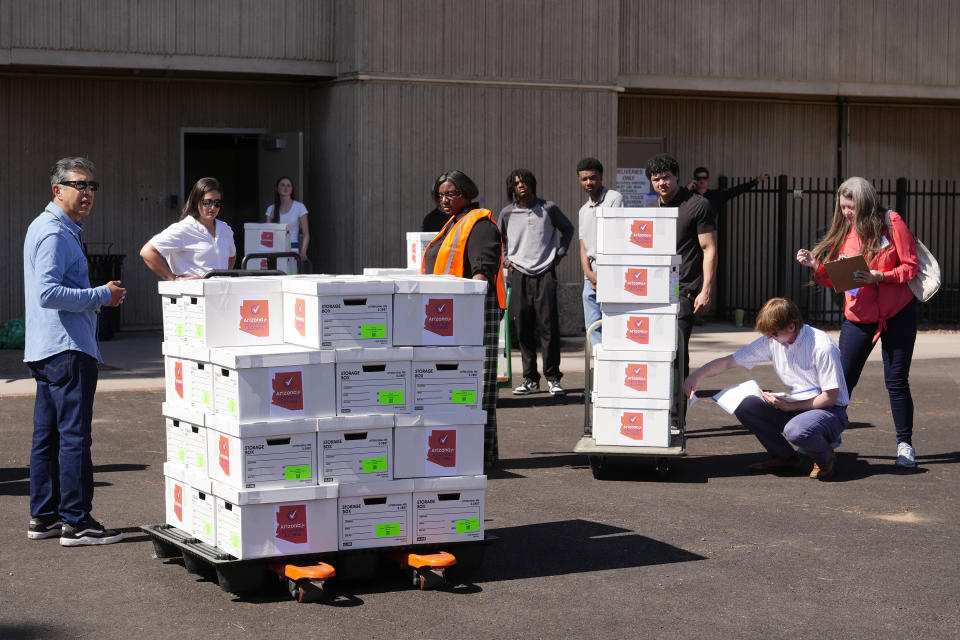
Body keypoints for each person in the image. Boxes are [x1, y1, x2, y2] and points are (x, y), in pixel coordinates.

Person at [23, 157, 126, 545]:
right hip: (67, 350)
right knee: (73, 437)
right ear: (57, 189)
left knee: (47, 438)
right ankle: (78, 521)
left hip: (49, 349)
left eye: (92, 186)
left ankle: (44, 517)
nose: (87, 193)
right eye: (79, 185)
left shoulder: (50, 227)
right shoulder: (54, 233)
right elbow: (48, 293)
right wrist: (102, 294)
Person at [796, 177, 920, 468]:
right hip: (858, 316)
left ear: (864, 202)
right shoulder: (845, 230)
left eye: (850, 207)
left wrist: (880, 277)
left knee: (897, 381)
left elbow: (910, 267)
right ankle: (827, 435)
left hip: (896, 313)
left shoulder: (891, 222)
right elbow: (838, 279)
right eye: (842, 207)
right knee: (841, 381)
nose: (846, 213)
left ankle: (905, 445)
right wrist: (816, 267)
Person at [683, 298, 849, 479]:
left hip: (830, 411)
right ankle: (785, 457)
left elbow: (831, 397)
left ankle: (825, 455)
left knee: (796, 430)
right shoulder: (774, 340)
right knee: (745, 405)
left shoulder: (822, 346)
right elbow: (729, 361)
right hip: (798, 403)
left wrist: (791, 407)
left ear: (791, 327)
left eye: (773, 334)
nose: (770, 338)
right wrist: (697, 375)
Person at [421, 171, 506, 469]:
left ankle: (479, 454)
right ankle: (470, 452)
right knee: (460, 385)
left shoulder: (480, 225)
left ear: (467, 193)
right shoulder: (452, 223)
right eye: (440, 195)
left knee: (477, 385)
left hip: (476, 311)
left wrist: (469, 313)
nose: (445, 200)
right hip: (452, 315)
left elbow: (481, 272)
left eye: (451, 194)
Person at [498, 169, 574, 397]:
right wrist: (506, 260)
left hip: (545, 273)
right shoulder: (507, 213)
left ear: (533, 184)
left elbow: (568, 229)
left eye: (525, 182)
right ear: (512, 188)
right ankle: (530, 379)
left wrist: (559, 253)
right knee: (523, 328)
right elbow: (500, 239)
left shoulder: (548, 208)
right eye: (517, 183)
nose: (521, 186)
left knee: (548, 327)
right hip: (519, 273)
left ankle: (553, 377)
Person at [646, 153, 717, 379]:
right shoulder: (650, 210)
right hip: (652, 293)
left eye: (666, 177)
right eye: (656, 179)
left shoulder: (697, 206)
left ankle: (678, 415)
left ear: (676, 176)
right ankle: (657, 410)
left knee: (677, 354)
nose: (661, 183)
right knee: (653, 354)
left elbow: (709, 249)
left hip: (683, 291)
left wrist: (705, 290)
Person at [140, 177, 236, 280]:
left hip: (224, 293)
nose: (213, 207)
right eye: (207, 202)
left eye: (217, 203)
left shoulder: (225, 229)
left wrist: (224, 279)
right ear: (196, 201)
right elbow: (147, 252)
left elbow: (231, 257)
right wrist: (173, 279)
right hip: (194, 294)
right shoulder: (183, 229)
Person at [576, 157, 623, 347]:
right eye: (584, 179)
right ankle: (599, 365)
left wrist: (603, 275)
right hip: (591, 275)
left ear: (601, 177)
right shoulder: (583, 210)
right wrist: (589, 274)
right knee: (593, 328)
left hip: (611, 272)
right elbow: (583, 245)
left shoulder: (614, 198)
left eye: (593, 178)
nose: (589, 182)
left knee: (613, 324)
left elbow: (617, 238)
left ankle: (613, 364)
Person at [686, 166, 770, 216]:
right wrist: (687, 189)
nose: (702, 181)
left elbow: (737, 190)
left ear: (708, 179)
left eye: (704, 178)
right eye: (699, 178)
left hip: (708, 234)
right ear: (695, 180)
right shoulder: (688, 195)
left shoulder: (716, 195)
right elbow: (676, 202)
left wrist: (757, 180)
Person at [264, 176, 311, 264]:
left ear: (292, 189)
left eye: (288, 185)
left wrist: (303, 252)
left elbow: (306, 233)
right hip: (276, 249)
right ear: (277, 188)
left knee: (290, 274)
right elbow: (268, 233)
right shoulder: (271, 209)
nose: (285, 188)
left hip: (292, 247)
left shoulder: (299, 207)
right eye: (282, 185)